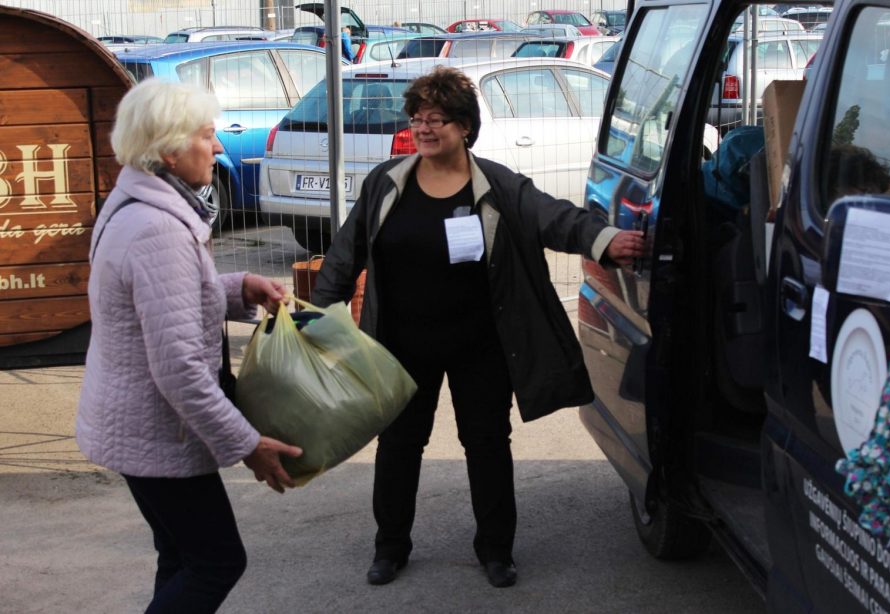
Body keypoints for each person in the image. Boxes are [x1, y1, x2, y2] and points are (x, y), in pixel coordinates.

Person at [310, 66, 648, 589]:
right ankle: (390, 547)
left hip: (480, 345)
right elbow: (345, 252)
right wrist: (316, 317)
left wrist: (603, 239)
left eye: (437, 119)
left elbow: (552, 216)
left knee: (487, 444)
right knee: (400, 446)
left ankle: (496, 550)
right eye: (418, 118)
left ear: (465, 126)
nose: (424, 128)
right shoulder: (386, 183)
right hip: (401, 345)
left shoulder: (496, 185)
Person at [76, 78, 302, 613]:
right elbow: (178, 367)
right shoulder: (158, 229)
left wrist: (238, 285)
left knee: (179, 556)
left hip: (137, 425)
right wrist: (248, 443)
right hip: (158, 433)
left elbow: (159, 305)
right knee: (217, 562)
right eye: (207, 134)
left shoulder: (135, 203)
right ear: (169, 151)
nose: (219, 146)